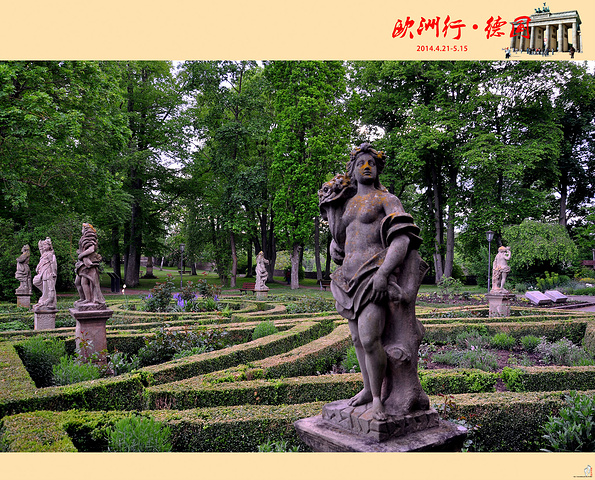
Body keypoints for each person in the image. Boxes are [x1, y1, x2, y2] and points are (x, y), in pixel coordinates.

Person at [319, 143, 429, 421]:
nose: (366, 167)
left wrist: (383, 273)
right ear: (353, 170)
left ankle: (379, 398)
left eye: (371, 163)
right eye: (361, 163)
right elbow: (342, 239)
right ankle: (368, 390)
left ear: (378, 169)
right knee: (357, 339)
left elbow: (402, 239)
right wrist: (333, 246)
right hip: (347, 279)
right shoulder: (348, 204)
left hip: (372, 275)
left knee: (370, 339)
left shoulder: (386, 199)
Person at [74, 223, 106, 308]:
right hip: (82, 264)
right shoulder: (84, 238)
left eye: (82, 228)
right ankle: (83, 298)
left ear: (85, 229)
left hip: (88, 265)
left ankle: (88, 299)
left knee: (84, 282)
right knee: (77, 282)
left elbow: (91, 249)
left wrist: (81, 255)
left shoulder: (89, 238)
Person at [32, 238, 57, 310]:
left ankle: (47, 299)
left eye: (45, 245)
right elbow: (40, 249)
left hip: (47, 271)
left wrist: (53, 272)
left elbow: (52, 263)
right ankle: (45, 296)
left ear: (49, 246)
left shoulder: (50, 254)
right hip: (42, 272)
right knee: (36, 281)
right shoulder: (44, 254)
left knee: (47, 286)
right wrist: (40, 244)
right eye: (43, 245)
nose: (44, 247)